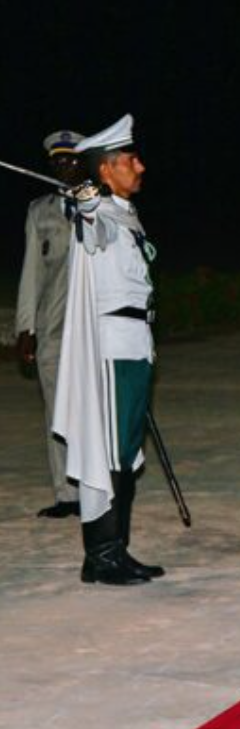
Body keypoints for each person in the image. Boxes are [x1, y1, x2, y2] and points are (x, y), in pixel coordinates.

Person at [53, 115, 163, 585]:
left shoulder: (124, 212)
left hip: (135, 344)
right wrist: (80, 192)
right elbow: (87, 221)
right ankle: (103, 555)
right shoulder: (95, 210)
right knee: (111, 455)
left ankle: (114, 550)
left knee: (123, 453)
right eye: (129, 159)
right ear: (106, 169)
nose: (140, 166)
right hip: (112, 349)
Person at [15, 130, 85, 519]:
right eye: (57, 161)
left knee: (91, 412)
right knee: (57, 412)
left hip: (93, 329)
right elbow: (31, 273)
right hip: (54, 325)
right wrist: (26, 327)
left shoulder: (103, 204)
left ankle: (95, 489)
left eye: (71, 160)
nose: (63, 166)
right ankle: (66, 495)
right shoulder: (40, 210)